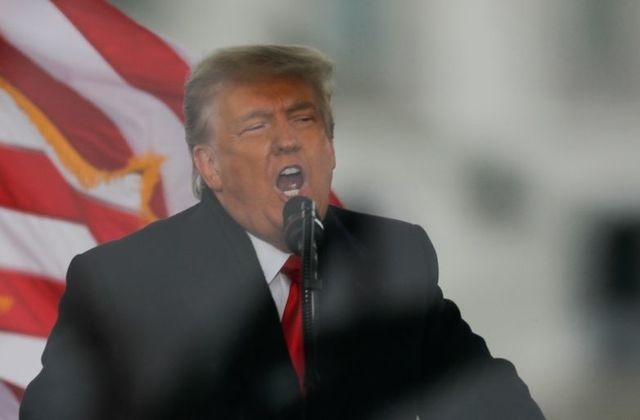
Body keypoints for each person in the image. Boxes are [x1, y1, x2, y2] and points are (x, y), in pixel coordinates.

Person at [20, 45, 544, 419]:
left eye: (304, 120)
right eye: (256, 126)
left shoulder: (394, 257)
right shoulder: (125, 279)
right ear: (210, 167)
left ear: (331, 150)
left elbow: (496, 402)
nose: (287, 142)